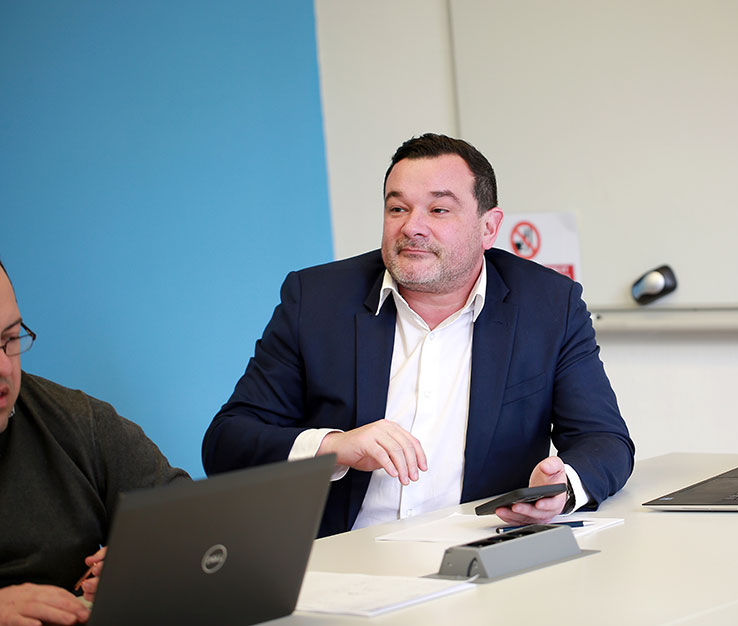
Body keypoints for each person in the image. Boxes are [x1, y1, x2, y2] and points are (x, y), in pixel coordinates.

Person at [203, 133, 634, 537]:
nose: (412, 226)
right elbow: (227, 443)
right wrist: (335, 446)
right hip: (344, 560)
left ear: (489, 227)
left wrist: (560, 490)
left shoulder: (548, 306)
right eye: (397, 208)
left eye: (439, 210)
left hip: (481, 553)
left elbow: (604, 440)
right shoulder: (316, 301)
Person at [0, 260, 189, 626]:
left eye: (9, 339)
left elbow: (189, 520)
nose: (6, 368)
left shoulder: (75, 421)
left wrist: (153, 559)